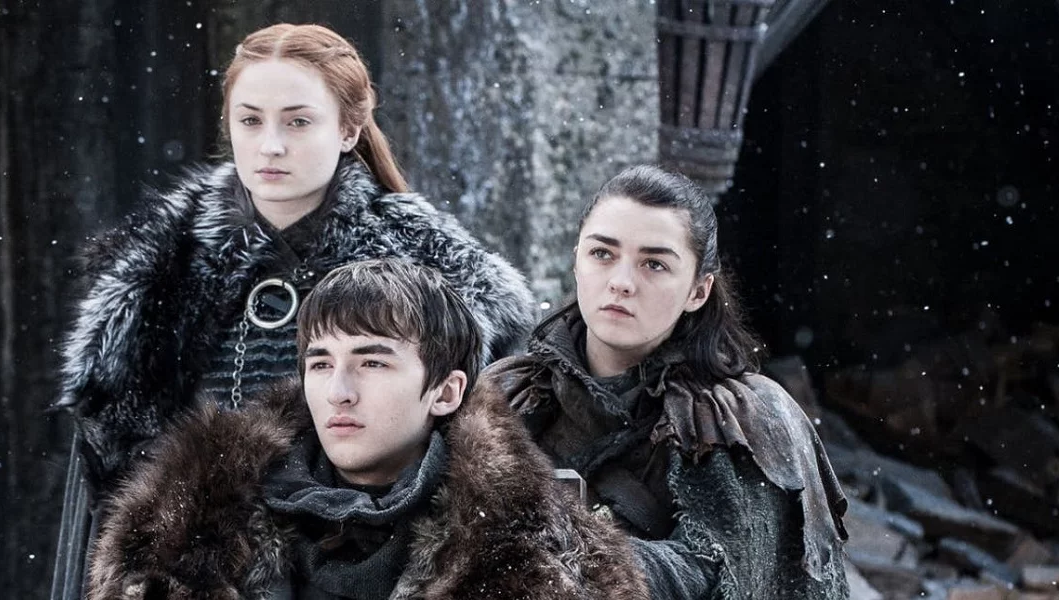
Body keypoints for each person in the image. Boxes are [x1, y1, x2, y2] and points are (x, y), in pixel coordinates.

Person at [49, 23, 533, 600]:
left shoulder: (440, 278)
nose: (270, 145)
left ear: (349, 128)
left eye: (298, 122)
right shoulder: (153, 273)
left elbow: (483, 471)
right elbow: (106, 488)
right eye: (250, 120)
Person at [86, 259, 648, 599]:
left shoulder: (546, 557)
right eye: (320, 364)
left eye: (373, 362)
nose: (339, 391)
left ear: (446, 391)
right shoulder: (176, 532)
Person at [482, 165, 850, 599]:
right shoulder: (504, 393)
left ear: (698, 291)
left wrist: (561, 555)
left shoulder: (745, 419)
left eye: (654, 264)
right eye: (602, 253)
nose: (621, 283)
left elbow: (726, 573)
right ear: (577, 260)